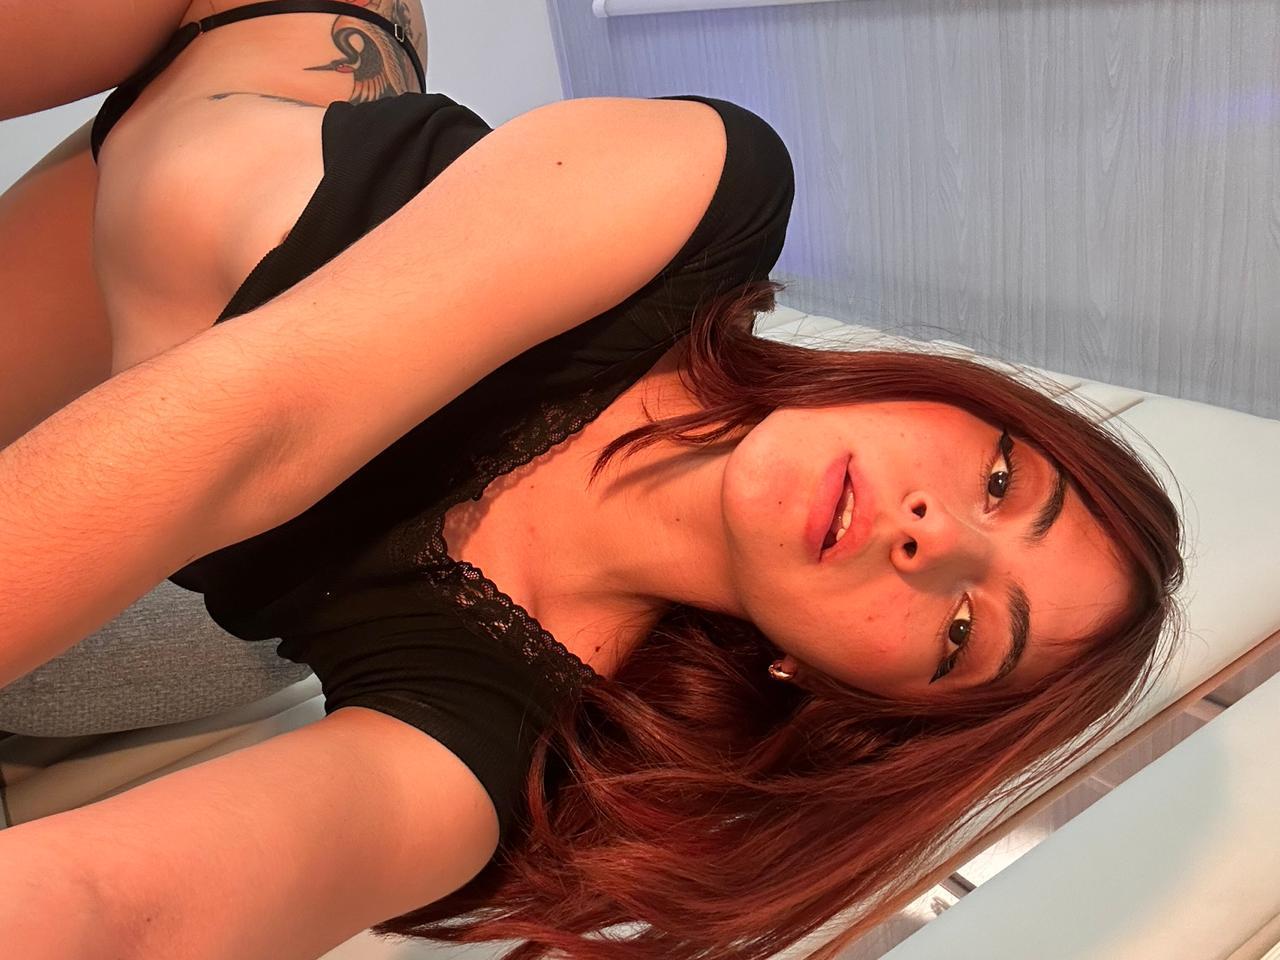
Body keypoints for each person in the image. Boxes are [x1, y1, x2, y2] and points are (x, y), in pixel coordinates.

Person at [0, 2, 1186, 958]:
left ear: (843, 696)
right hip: (254, 45)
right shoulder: (705, 196)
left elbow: (128, 909)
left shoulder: (501, 752)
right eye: (997, 480)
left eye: (963, 630)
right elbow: (267, 417)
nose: (933, 536)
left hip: (113, 311)